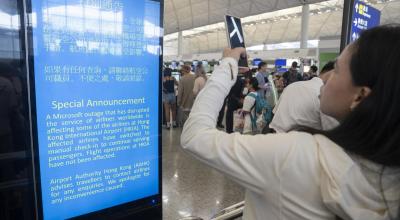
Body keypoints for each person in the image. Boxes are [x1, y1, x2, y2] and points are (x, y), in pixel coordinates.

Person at [181, 25, 400, 220]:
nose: (325, 78)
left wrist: (227, 66)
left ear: (360, 96)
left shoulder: (298, 155)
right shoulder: (390, 178)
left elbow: (196, 136)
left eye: (337, 70)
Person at [270, 61, 338, 132]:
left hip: (274, 135)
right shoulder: (326, 95)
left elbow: (275, 113)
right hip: (301, 141)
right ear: (333, 74)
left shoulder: (291, 86)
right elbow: (332, 131)